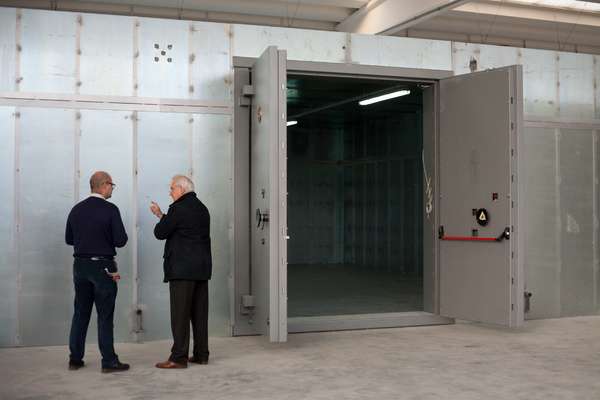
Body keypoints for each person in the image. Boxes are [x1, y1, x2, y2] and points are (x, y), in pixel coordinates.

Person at [65, 171, 130, 373]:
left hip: (80, 266)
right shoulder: (110, 210)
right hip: (104, 267)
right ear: (103, 185)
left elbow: (69, 240)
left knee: (80, 313)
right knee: (105, 314)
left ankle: (75, 359)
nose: (112, 188)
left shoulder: (76, 209)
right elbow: (121, 240)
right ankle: (109, 361)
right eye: (112, 184)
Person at [150, 175, 212, 369]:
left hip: (182, 271)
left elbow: (161, 233)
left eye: (171, 189)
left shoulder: (178, 208)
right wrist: (163, 215)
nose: (170, 192)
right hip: (201, 270)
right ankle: (201, 354)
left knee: (180, 315)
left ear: (181, 189)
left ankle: (178, 358)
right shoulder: (202, 208)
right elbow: (180, 227)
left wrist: (160, 216)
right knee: (199, 315)